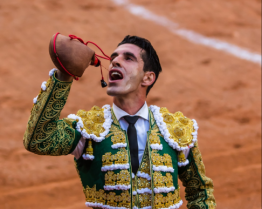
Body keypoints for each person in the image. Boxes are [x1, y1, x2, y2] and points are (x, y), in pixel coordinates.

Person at [23, 35, 216, 209]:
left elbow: (200, 193)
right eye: (114, 57)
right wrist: (64, 75)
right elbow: (39, 140)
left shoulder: (177, 130)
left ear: (148, 78)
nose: (115, 61)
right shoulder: (89, 128)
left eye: (128, 58)